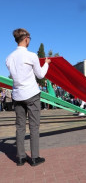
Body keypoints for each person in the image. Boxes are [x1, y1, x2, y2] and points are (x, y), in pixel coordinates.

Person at [6, 28, 51, 166]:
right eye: (30, 38)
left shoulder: (9, 58)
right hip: (31, 94)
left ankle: (20, 158)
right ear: (26, 38)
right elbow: (40, 75)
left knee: (20, 127)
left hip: (17, 95)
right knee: (34, 127)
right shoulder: (31, 56)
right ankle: (35, 158)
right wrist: (47, 64)